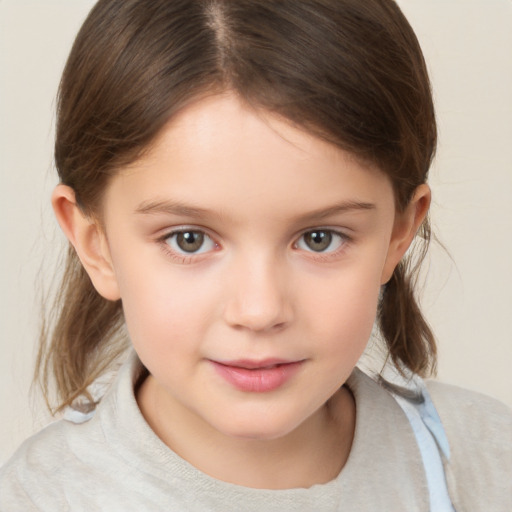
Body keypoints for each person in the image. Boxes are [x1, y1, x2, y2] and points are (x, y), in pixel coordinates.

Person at [0, 0, 510, 510]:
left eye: (319, 238)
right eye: (189, 240)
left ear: (398, 233)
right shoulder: (37, 499)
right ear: (97, 244)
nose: (260, 310)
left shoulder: (486, 464)